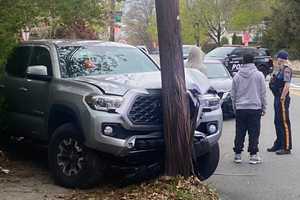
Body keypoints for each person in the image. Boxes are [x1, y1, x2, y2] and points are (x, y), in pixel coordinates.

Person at [231, 53, 267, 164]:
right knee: (254, 132)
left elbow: (233, 95)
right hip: (255, 108)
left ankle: (237, 155)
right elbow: (263, 93)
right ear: (253, 62)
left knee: (240, 132)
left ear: (243, 62)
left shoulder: (237, 76)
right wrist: (264, 107)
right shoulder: (259, 75)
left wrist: (235, 108)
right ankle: (253, 155)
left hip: (241, 108)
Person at [267, 50, 292, 155]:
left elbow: (287, 85)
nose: (277, 59)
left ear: (282, 59)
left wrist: (282, 97)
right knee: (277, 121)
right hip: (277, 97)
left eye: (278, 58)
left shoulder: (287, 70)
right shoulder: (280, 69)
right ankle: (278, 143)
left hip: (282, 98)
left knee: (284, 122)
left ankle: (286, 147)